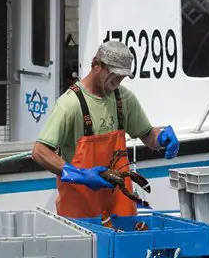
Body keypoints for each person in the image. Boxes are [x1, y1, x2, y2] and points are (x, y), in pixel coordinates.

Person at [31, 39, 180, 219]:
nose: (118, 81)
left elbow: (147, 134)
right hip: (80, 209)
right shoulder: (69, 104)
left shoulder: (123, 98)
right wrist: (78, 174)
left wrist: (161, 137)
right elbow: (39, 152)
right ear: (96, 65)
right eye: (115, 75)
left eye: (123, 77)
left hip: (119, 207)